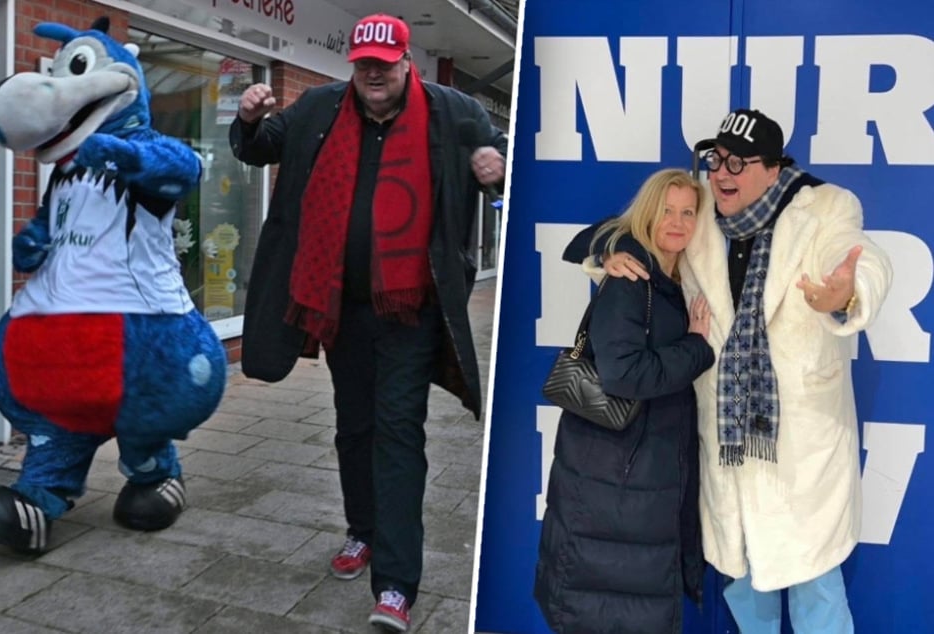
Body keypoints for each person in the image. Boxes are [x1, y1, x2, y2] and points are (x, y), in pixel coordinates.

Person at [228, 13, 506, 633]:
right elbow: (260, 147)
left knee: (398, 433)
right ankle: (363, 530)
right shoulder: (320, 108)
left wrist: (497, 167)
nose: (373, 73)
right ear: (353, 63)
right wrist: (247, 119)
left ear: (406, 61)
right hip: (340, 309)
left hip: (412, 310)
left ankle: (397, 585)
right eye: (364, 64)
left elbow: (500, 160)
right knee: (353, 427)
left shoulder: (454, 112)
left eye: (385, 63)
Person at [601, 109, 893, 633]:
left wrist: (849, 291)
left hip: (801, 446)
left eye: (738, 162)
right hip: (726, 439)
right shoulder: (698, 209)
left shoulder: (825, 206)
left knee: (816, 585)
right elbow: (633, 229)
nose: (721, 173)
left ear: (773, 169)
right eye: (716, 159)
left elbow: (862, 257)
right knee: (743, 580)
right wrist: (612, 253)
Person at [534, 169, 716, 633]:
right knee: (607, 607)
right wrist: (697, 347)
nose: (677, 222)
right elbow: (624, 375)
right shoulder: (632, 278)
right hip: (618, 475)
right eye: (666, 211)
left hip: (632, 473)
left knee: (620, 603)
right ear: (647, 214)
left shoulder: (669, 276)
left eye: (688, 212)